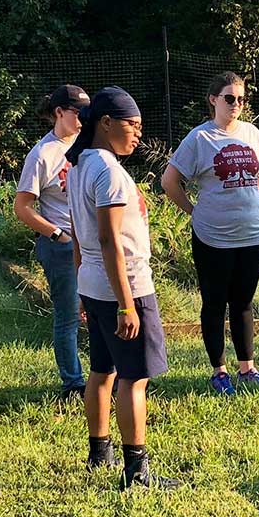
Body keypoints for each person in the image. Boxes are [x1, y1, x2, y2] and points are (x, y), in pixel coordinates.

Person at [67, 86, 178, 490]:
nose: (137, 134)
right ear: (106, 123)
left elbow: (80, 235)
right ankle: (137, 472)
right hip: (124, 288)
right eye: (132, 126)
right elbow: (109, 239)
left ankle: (100, 453)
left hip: (94, 285)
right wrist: (128, 305)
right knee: (134, 378)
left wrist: (83, 285)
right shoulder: (108, 172)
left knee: (102, 370)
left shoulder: (79, 164)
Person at [161, 71, 259, 395]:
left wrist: (252, 198)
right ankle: (219, 371)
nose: (236, 104)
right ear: (213, 100)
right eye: (229, 98)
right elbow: (170, 181)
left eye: (241, 99)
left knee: (243, 302)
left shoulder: (252, 134)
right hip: (213, 236)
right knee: (214, 302)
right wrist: (195, 211)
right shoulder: (200, 138)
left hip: (252, 234)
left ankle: (247, 367)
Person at [16, 84, 91, 399]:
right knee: (69, 314)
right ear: (59, 112)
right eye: (78, 112)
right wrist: (57, 234)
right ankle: (73, 383)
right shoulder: (42, 154)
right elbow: (22, 207)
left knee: (98, 309)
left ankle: (106, 375)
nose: (83, 118)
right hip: (61, 246)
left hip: (90, 243)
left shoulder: (87, 145)